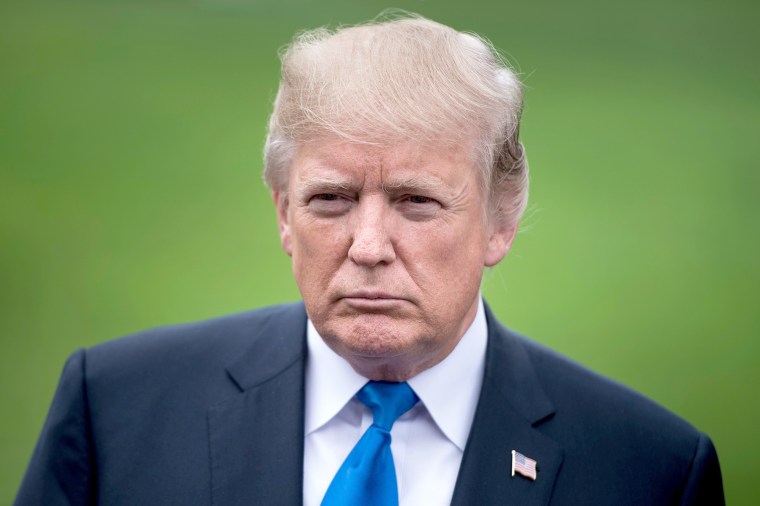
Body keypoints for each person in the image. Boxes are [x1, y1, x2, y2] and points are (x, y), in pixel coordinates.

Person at [15, 13, 723, 506]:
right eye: (331, 199)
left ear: (500, 220)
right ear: (282, 214)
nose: (369, 246)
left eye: (416, 201)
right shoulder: (114, 411)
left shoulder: (651, 472)